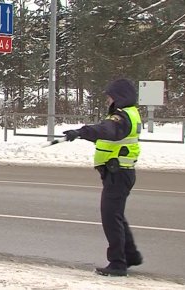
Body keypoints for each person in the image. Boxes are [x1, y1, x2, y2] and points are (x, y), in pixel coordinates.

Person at [63, 78, 143, 277]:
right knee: (116, 215)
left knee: (111, 218)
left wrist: (82, 132)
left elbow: (107, 130)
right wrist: (84, 134)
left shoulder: (122, 116)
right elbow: (108, 135)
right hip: (120, 172)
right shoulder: (128, 114)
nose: (108, 100)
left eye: (111, 96)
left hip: (118, 173)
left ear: (119, 97)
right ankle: (130, 255)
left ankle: (117, 263)